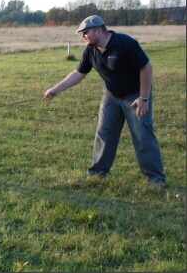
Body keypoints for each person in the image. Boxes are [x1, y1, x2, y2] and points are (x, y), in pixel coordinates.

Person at [43, 15, 166, 190]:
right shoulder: (91, 50)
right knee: (105, 134)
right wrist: (56, 89)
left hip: (135, 97)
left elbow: (147, 67)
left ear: (99, 30)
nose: (83, 37)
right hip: (111, 97)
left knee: (143, 137)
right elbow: (79, 73)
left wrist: (144, 98)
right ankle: (97, 173)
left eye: (85, 33)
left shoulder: (125, 44)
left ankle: (156, 179)